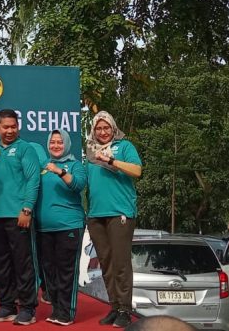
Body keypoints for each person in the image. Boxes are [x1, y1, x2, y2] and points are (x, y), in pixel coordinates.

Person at [85, 111, 142, 328]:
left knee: (121, 263)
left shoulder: (124, 147)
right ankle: (115, 307)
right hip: (96, 215)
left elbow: (137, 171)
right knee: (106, 264)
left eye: (106, 127)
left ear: (113, 127)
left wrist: (111, 160)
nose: (102, 132)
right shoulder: (90, 152)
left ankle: (126, 310)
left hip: (120, 213)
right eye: (98, 128)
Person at [0, 109, 42, 326]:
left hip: (19, 216)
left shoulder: (25, 148)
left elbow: (33, 179)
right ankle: (7, 305)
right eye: (5, 127)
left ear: (18, 127)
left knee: (23, 263)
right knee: (1, 263)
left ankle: (28, 307)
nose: (9, 131)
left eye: (13, 126)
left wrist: (27, 208)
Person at [36, 130, 88, 326]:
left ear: (66, 144)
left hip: (69, 226)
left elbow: (78, 185)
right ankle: (56, 309)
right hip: (44, 228)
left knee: (66, 270)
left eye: (59, 142)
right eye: (52, 142)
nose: (56, 146)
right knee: (48, 271)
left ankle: (66, 312)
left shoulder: (75, 165)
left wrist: (60, 172)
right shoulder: (43, 167)